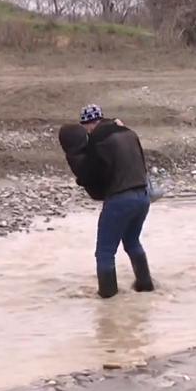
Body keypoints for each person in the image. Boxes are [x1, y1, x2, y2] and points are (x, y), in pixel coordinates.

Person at [62, 104, 155, 299]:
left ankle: (108, 298)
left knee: (104, 253)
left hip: (120, 200)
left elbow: (94, 174)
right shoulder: (129, 133)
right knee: (132, 242)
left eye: (86, 127)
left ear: (89, 124)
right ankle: (145, 286)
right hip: (143, 196)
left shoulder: (99, 141)